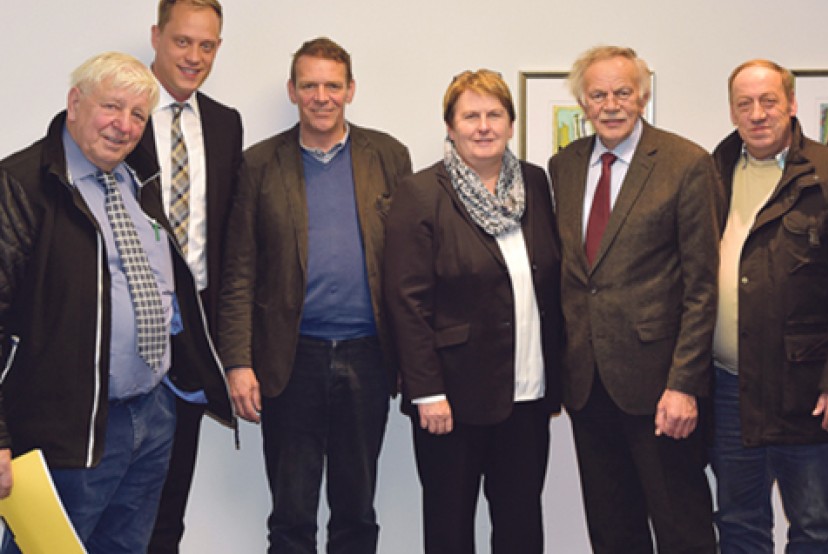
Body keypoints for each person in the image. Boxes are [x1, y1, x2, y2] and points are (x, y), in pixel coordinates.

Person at [0, 51, 233, 554]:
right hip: (66, 428)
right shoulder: (21, 185)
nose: (123, 126)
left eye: (138, 115)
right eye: (112, 107)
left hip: (150, 417)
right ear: (74, 103)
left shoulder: (137, 182)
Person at [217, 37, 411, 553]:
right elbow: (239, 270)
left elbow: (411, 266)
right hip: (289, 359)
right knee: (291, 514)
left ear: (350, 90)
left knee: (356, 512)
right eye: (309, 85)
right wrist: (238, 362)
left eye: (332, 85)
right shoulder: (259, 164)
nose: (321, 96)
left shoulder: (389, 156)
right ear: (292, 91)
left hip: (369, 356)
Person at [709, 59, 828, 553]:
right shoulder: (712, 174)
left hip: (806, 387)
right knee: (738, 524)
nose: (757, 114)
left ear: (790, 103)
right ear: (732, 111)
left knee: (813, 526)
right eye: (744, 104)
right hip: (728, 390)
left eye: (768, 101)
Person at [548, 45, 720, 553]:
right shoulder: (565, 166)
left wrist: (684, 384)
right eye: (598, 94)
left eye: (622, 92)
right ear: (584, 102)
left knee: (681, 527)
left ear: (643, 96)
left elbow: (702, 285)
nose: (611, 104)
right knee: (611, 528)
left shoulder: (686, 163)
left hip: (661, 388)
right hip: (587, 382)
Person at [384, 70, 562, 554]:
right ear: (450, 125)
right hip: (452, 400)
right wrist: (426, 392)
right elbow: (406, 300)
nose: (483, 126)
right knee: (449, 530)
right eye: (470, 116)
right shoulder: (422, 193)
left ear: (510, 123)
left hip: (527, 393)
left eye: (494, 115)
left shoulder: (535, 183)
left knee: (522, 528)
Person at [124, 2, 244, 551]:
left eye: (207, 46)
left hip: (191, 340)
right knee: (110, 502)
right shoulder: (117, 112)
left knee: (169, 504)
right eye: (182, 42)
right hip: (121, 340)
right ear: (156, 36)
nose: (194, 57)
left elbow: (225, 239)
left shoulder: (225, 123)